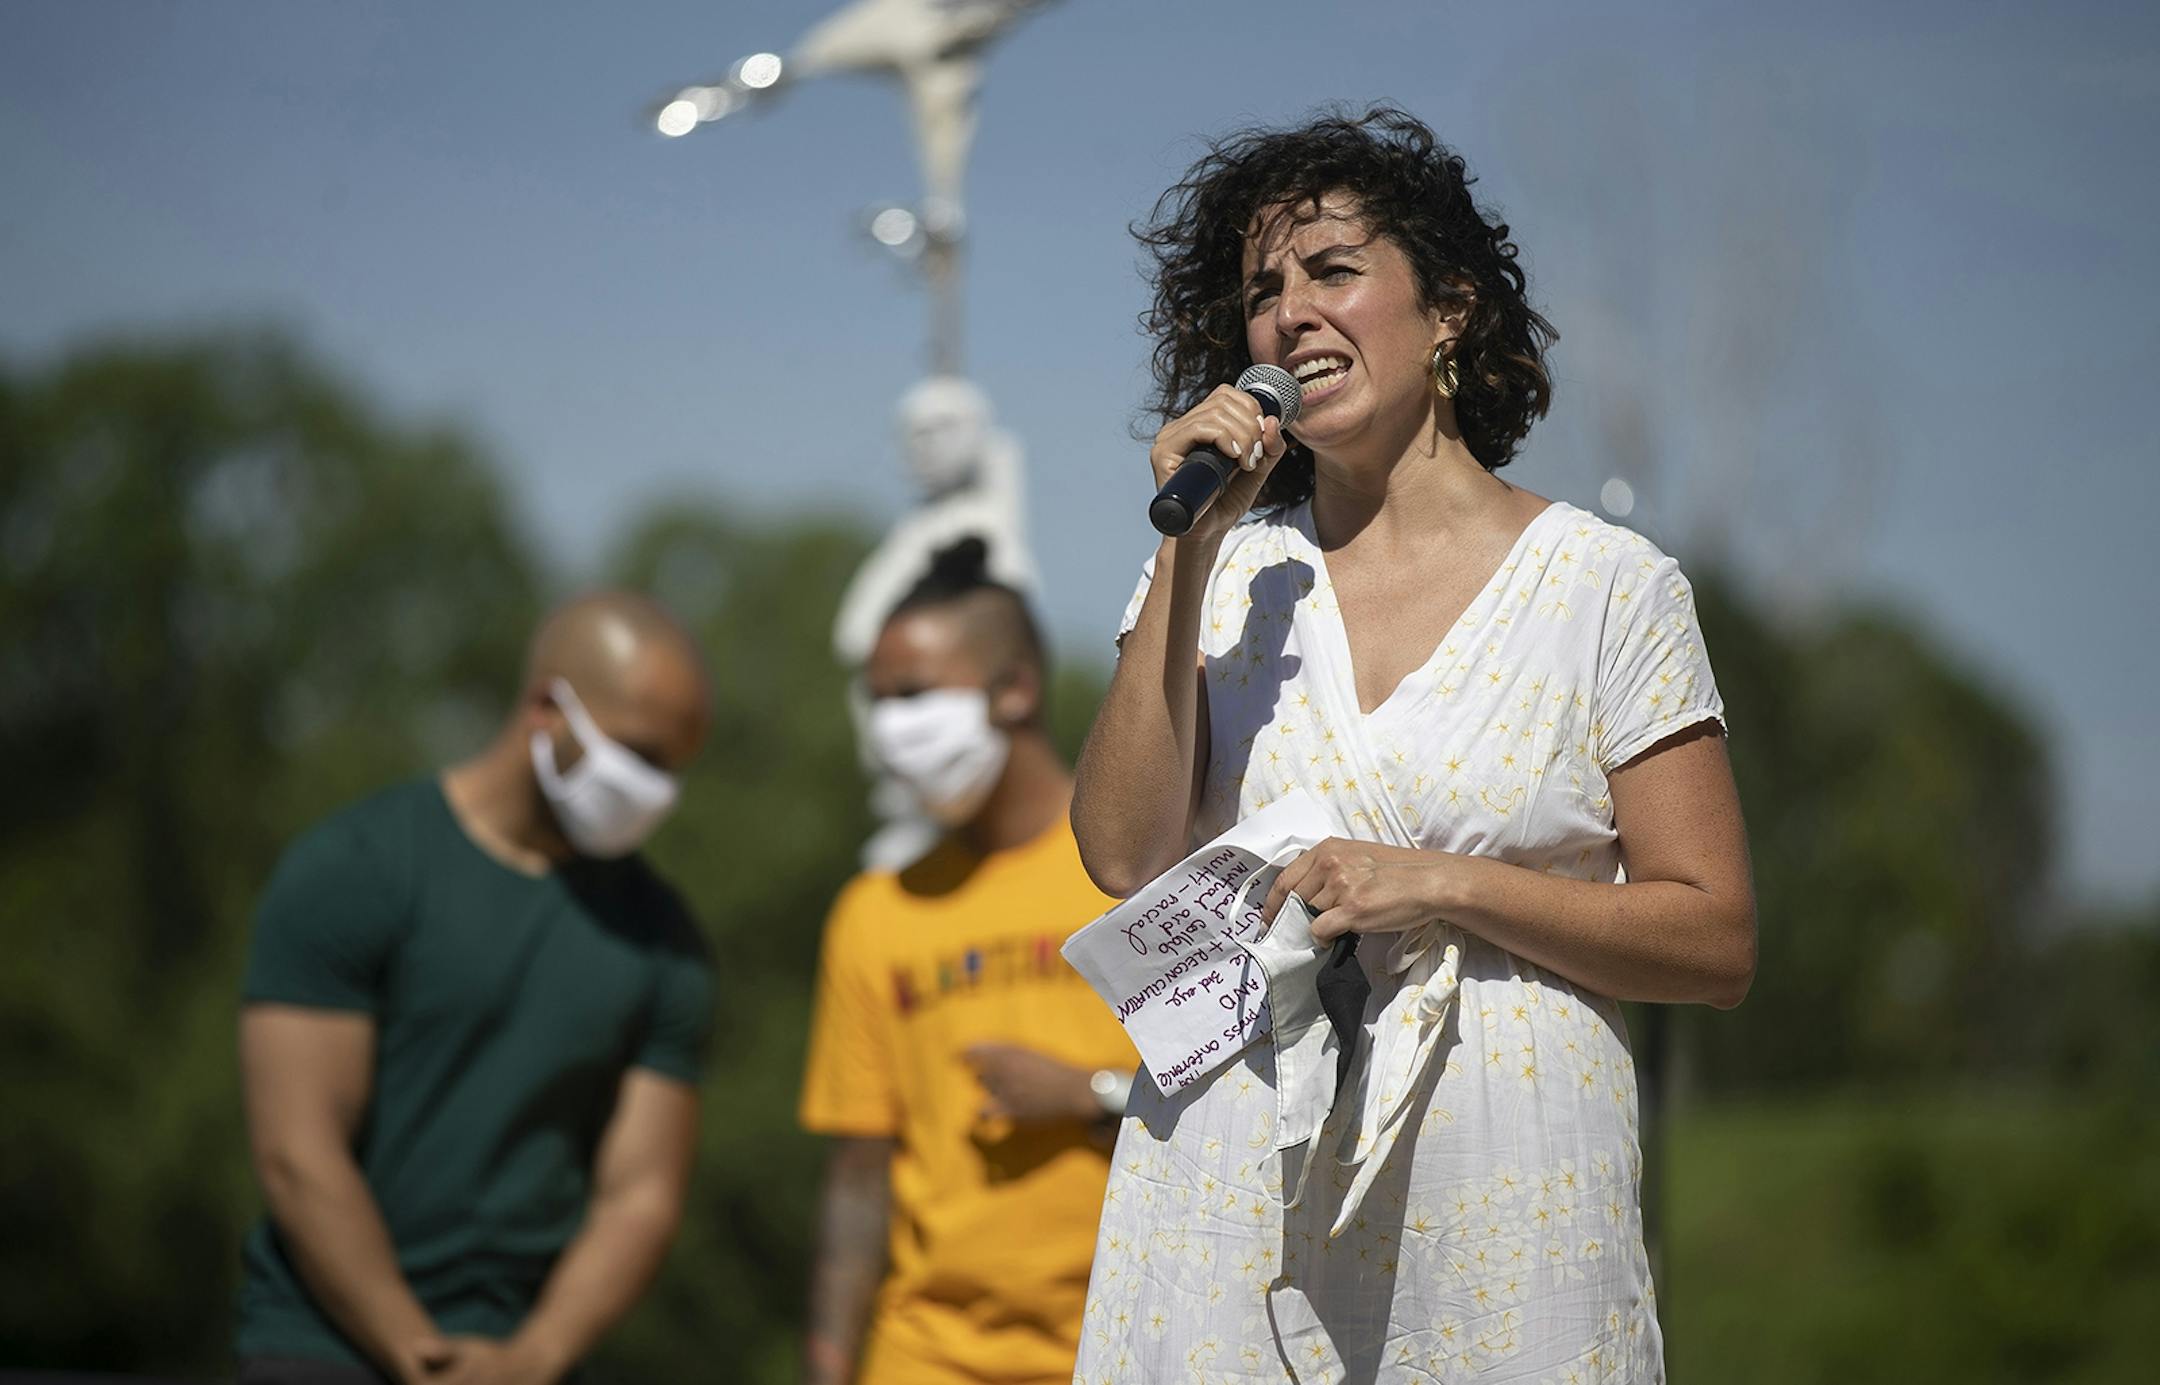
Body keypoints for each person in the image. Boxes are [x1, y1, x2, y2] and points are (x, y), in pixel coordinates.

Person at [1069, 108, 1756, 1382]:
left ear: (1449, 308)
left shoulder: (1607, 586)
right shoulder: (1219, 573)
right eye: (1261, 292)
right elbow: (1119, 852)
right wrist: (1187, 545)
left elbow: (1714, 938)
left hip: (1504, 1186)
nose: (1289, 314)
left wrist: (1436, 881)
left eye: (1332, 270)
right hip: (1235, 1179)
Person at [234, 592, 716, 1385]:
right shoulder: (356, 868)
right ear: (544, 708)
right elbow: (298, 1150)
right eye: (638, 753)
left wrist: (532, 1358)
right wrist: (415, 1349)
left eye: (674, 766)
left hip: (527, 1362)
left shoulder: (664, 941)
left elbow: (642, 1196)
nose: (656, 788)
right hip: (325, 1346)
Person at [799, 540, 1140, 1385]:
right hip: (921, 1357)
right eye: (878, 701)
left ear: (1015, 687)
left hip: (1124, 1346)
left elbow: (1246, 1104)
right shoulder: (872, 912)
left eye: (914, 694)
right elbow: (856, 1177)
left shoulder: (1136, 873)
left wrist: (1084, 1094)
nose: (891, 727)